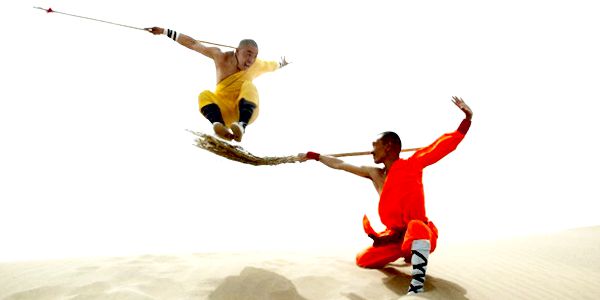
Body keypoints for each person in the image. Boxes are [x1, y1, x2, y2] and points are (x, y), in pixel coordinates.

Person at [299, 96, 473, 295]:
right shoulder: (375, 173)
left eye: (375, 145)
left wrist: (467, 120)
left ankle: (417, 286)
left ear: (388, 146)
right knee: (363, 259)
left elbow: (442, 147)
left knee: (416, 227)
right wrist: (317, 157)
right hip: (395, 237)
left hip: (420, 233)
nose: (371, 150)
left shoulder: (412, 165)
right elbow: (340, 164)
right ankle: (408, 255)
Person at [146, 26, 289, 142]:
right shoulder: (220, 57)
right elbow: (194, 44)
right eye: (248, 53)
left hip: (245, 110)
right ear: (237, 51)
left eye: (254, 55)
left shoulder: (258, 64)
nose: (251, 59)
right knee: (204, 95)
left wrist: (284, 62)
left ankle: (242, 126)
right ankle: (218, 124)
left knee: (249, 86)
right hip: (223, 110)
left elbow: (274, 65)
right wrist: (165, 31)